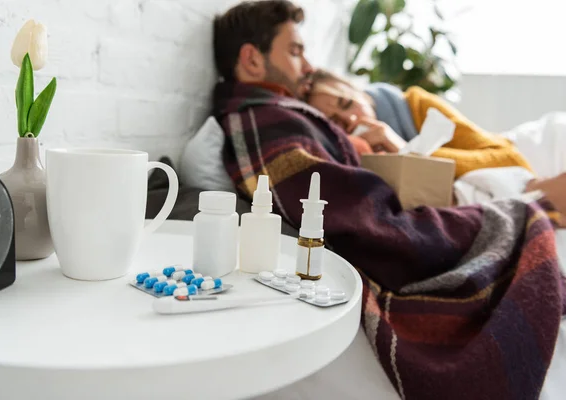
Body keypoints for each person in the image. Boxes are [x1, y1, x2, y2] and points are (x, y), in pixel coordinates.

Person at [211, 2, 565, 399]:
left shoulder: (283, 113)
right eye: (295, 51)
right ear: (251, 60)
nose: (308, 66)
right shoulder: (266, 120)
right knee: (523, 216)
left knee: (526, 209)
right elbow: (367, 223)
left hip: (405, 210)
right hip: (392, 235)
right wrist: (489, 217)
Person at [306, 69, 534, 178]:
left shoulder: (418, 105)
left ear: (359, 91)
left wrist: (403, 149)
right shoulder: (350, 151)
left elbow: (511, 160)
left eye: (347, 104)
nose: (351, 120)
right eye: (335, 122)